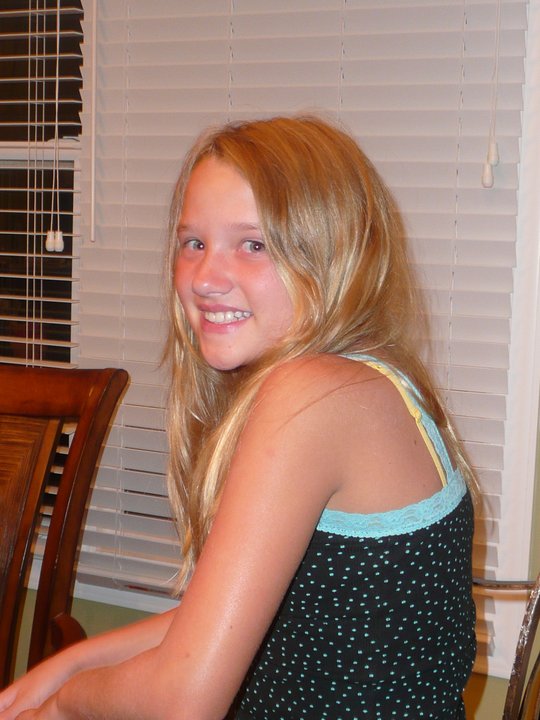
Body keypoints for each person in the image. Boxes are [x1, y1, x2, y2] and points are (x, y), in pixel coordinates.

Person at [0, 115, 476, 720]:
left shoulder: (311, 396)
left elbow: (182, 700)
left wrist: (65, 705)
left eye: (254, 245)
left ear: (334, 255)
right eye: (193, 243)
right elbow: (260, 614)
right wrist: (73, 663)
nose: (204, 279)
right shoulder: (372, 383)